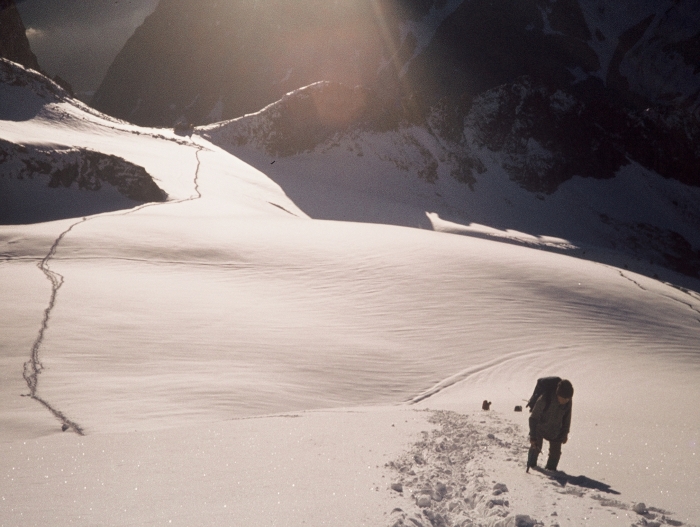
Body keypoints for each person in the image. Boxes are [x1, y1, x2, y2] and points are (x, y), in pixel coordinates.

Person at [527, 379, 573, 472]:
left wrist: (565, 434)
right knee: (535, 448)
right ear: (557, 394)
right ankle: (531, 467)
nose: (565, 401)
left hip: (556, 431)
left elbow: (567, 419)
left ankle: (551, 472)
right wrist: (533, 436)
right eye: (563, 398)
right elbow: (533, 418)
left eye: (567, 399)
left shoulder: (568, 401)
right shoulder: (545, 398)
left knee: (555, 454)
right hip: (539, 428)